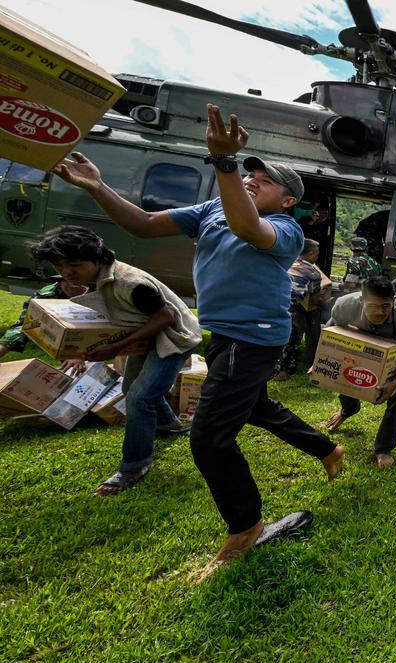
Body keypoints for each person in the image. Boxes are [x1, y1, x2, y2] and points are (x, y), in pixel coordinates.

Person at [52, 104, 345, 577]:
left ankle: (245, 525)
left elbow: (249, 227)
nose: (253, 179)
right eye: (250, 174)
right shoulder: (211, 209)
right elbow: (144, 226)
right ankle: (326, 449)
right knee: (254, 407)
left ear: (288, 200)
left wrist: (227, 163)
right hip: (225, 334)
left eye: (264, 180)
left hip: (256, 338)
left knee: (209, 440)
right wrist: (97, 187)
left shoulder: (288, 231)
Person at [29, 226, 202, 494]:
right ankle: (169, 425)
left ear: (97, 259)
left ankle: (133, 466)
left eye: (74, 264)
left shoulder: (130, 284)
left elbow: (165, 318)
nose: (66, 271)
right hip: (144, 334)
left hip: (172, 338)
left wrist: (116, 348)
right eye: (59, 265)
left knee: (140, 398)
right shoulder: (97, 279)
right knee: (130, 389)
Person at [322, 274, 396, 468]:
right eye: (372, 306)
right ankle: (349, 409)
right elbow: (331, 329)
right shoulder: (345, 305)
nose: (379, 312)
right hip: (359, 347)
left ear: (393, 301)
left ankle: (384, 449)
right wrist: (319, 363)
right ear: (361, 300)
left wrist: (394, 383)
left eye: (386, 306)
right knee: (344, 377)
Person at [273, 238, 330, 380]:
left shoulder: (285, 261)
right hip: (287, 307)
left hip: (269, 301)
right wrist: (327, 305)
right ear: (311, 254)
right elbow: (315, 299)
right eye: (316, 254)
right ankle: (283, 371)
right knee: (292, 337)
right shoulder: (313, 272)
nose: (317, 257)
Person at [0, 279, 88, 359]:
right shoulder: (47, 294)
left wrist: (79, 354)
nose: (71, 286)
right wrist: (3, 347)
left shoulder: (99, 291)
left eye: (76, 284)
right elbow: (27, 324)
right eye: (65, 281)